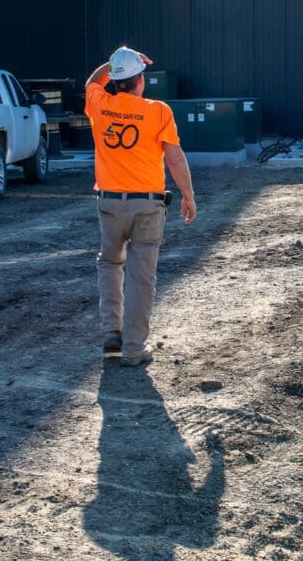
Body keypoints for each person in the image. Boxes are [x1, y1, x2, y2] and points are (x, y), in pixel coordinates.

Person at [85, 46, 197, 367]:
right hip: (147, 206)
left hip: (108, 203)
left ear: (115, 81)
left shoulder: (100, 104)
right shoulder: (158, 112)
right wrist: (188, 195)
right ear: (141, 81)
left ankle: (112, 331)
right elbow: (174, 158)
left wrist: (112, 62)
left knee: (109, 263)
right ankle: (134, 348)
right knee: (141, 276)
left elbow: (91, 82)